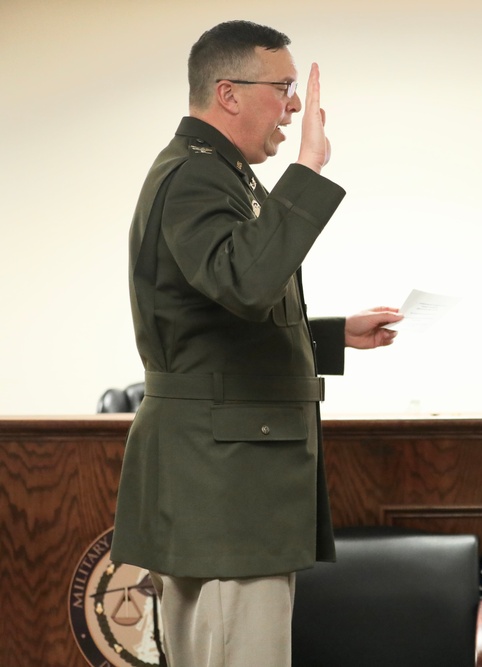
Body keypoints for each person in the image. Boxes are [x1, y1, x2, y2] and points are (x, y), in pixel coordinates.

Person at [110, 20, 402, 666]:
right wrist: (309, 167)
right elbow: (245, 283)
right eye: (284, 88)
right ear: (229, 93)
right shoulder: (195, 178)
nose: (295, 107)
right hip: (222, 496)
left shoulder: (217, 173)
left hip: (227, 490)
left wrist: (330, 335)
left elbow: (212, 320)